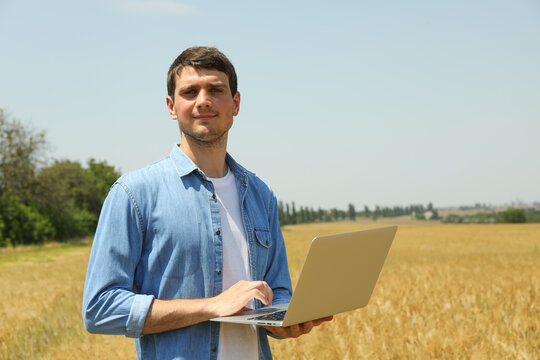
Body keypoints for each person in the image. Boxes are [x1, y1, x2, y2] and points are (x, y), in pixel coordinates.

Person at [82, 46, 332, 360]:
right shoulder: (134, 193)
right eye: (190, 92)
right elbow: (100, 308)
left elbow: (278, 290)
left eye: (216, 90)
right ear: (172, 107)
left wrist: (284, 320)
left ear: (236, 103)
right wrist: (212, 305)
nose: (204, 100)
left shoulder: (260, 194)